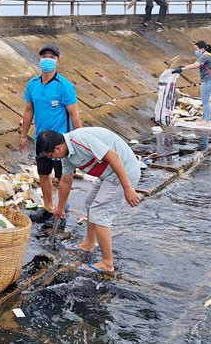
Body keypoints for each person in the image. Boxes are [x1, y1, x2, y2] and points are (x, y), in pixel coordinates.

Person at [36, 127, 141, 276]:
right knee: (90, 203)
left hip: (124, 171)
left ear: (58, 148)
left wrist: (128, 188)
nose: (53, 159)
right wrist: (60, 207)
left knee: (99, 213)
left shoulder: (80, 140)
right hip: (107, 175)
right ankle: (88, 244)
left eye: (51, 155)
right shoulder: (66, 156)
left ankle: (107, 263)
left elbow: (114, 157)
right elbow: (66, 181)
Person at [19, 43, 82, 228]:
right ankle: (48, 207)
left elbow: (74, 114)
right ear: (39, 60)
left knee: (63, 177)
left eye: (52, 57)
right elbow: (28, 110)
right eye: (44, 56)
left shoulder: (64, 86)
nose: (48, 60)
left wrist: (78, 139)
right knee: (43, 173)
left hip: (62, 141)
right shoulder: (32, 84)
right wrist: (23, 135)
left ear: (58, 61)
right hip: (41, 139)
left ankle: (60, 211)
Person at [173, 41, 211, 128]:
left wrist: (182, 69)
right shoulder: (208, 55)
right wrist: (184, 67)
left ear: (202, 49)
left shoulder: (205, 56)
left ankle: (207, 121)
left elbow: (195, 65)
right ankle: (204, 118)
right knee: (205, 100)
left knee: (205, 101)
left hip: (209, 81)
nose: (196, 51)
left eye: (197, 49)